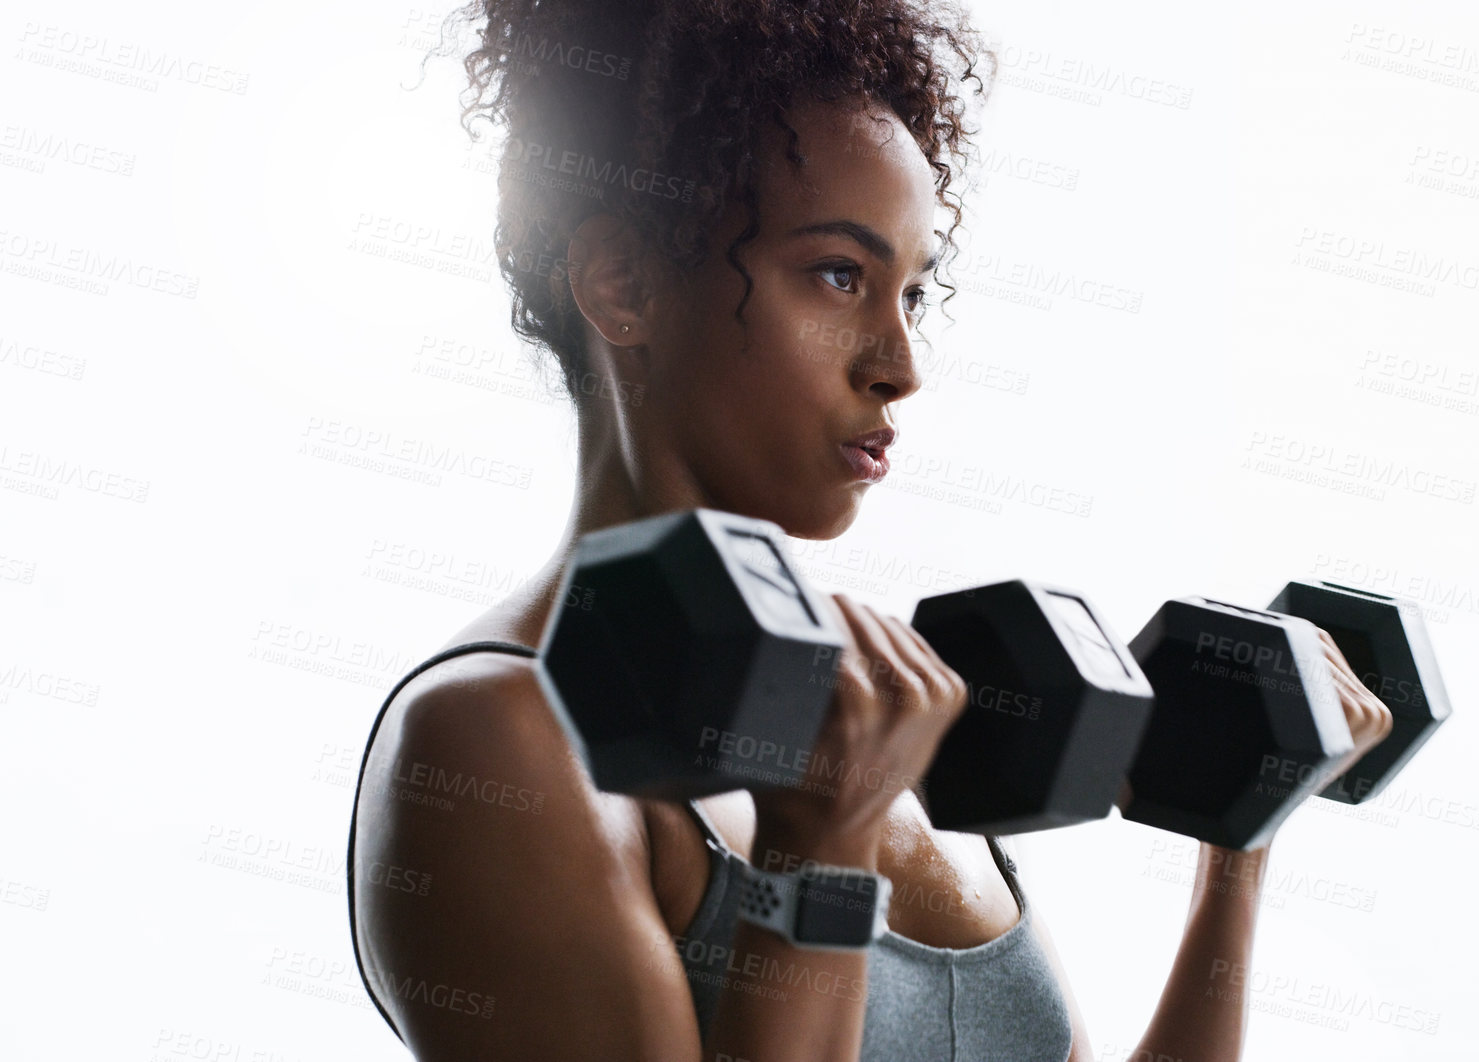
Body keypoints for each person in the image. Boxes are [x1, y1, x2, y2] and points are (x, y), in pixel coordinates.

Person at [346, 1, 1394, 1059]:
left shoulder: (877, 702)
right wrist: (819, 856)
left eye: (912, 295)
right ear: (622, 282)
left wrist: (1236, 846)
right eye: (839, 276)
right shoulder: (500, 743)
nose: (899, 364)